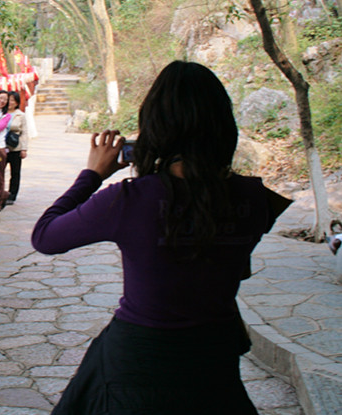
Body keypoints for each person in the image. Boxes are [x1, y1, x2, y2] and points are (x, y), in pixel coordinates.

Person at [32, 61, 287, 415]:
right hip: (212, 363)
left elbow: (45, 236)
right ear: (223, 125)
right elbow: (232, 270)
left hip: (138, 363)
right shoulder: (257, 199)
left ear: (155, 125)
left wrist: (91, 175)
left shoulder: (129, 199)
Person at [5, 91, 28, 205]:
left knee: (15, 172)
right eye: (8, 99)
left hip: (15, 147)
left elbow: (24, 133)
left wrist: (24, 149)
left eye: (13, 100)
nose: (10, 102)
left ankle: (12, 195)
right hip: (1, 147)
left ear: (17, 102)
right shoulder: (0, 113)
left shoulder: (20, 115)